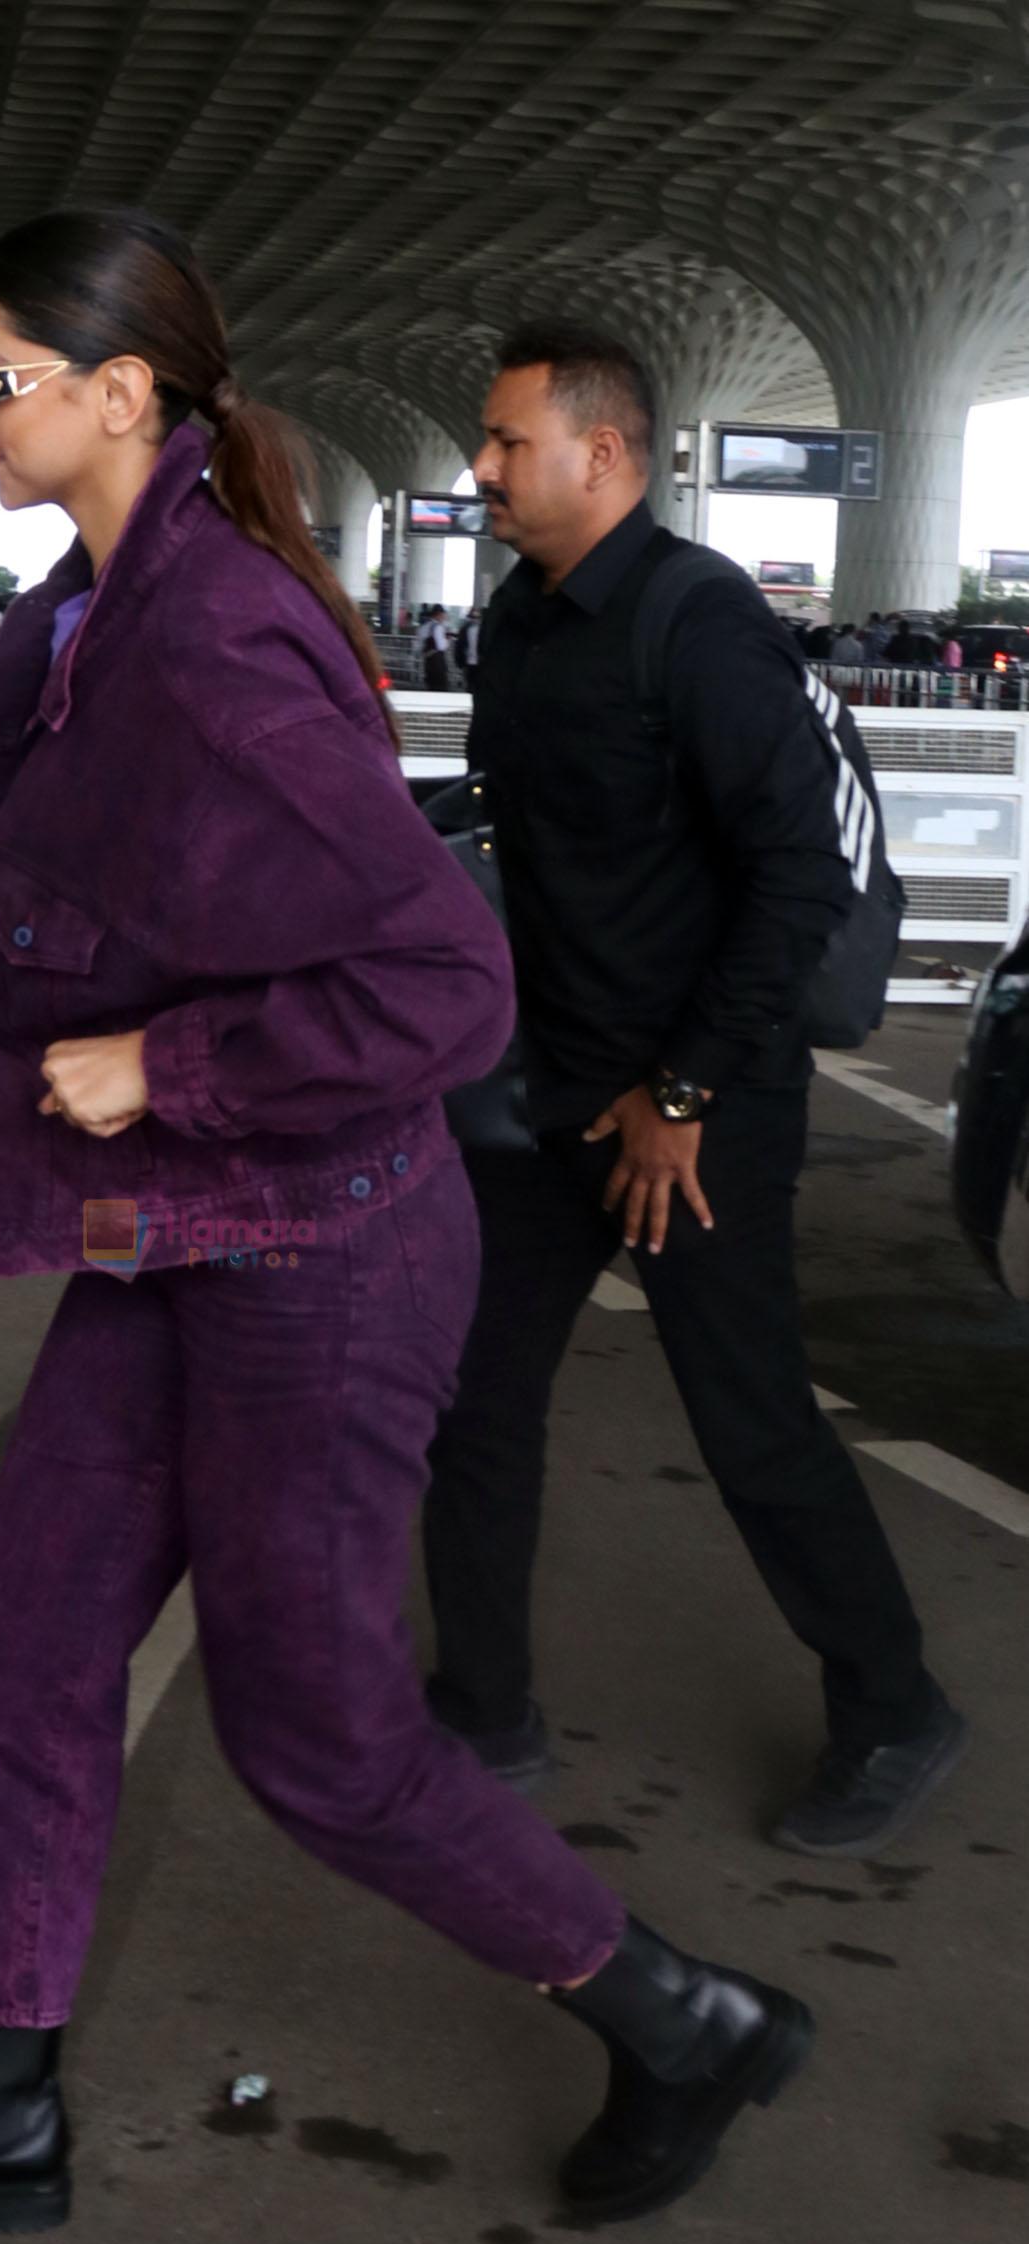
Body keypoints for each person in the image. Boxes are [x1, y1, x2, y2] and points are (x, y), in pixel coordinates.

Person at [0, 208, 815, 2244]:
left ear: (120, 389)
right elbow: (155, 892)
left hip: (313, 1248)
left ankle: (678, 2017)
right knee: (22, 1652)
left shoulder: (212, 630)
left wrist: (164, 1068)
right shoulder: (91, 612)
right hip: (187, 1233)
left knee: (313, 1731)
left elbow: (442, 988)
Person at [421, 322, 964, 1862]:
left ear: (605, 454)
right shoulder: (522, 627)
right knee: (473, 1394)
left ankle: (892, 1702)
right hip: (552, 1096)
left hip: (700, 1106)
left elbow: (795, 878)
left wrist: (684, 1089)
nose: (480, 469)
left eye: (507, 443)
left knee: (751, 1423)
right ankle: (482, 1705)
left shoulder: (700, 622)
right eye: (483, 439)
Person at [416, 602, 452, 690]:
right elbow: (441, 646)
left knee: (430, 687)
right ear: (438, 615)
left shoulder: (423, 627)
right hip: (438, 661)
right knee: (440, 687)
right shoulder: (438, 627)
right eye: (443, 614)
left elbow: (418, 645)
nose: (444, 617)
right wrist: (447, 639)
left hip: (427, 661)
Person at [457, 603, 483, 692]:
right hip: (475, 662)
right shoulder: (484, 630)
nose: (475, 620)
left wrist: (460, 662)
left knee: (471, 686)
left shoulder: (465, 629)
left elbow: (459, 646)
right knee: (476, 686)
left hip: (470, 662)